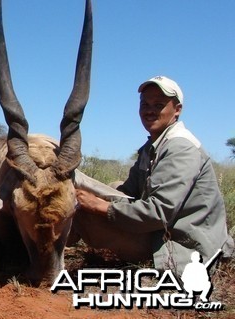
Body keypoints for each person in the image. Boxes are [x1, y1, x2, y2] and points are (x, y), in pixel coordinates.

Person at [73, 76, 233, 275]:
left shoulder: (180, 149)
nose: (149, 110)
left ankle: (41, 262)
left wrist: (99, 206)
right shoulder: (152, 147)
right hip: (163, 230)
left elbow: (159, 213)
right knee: (112, 187)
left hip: (182, 245)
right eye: (145, 104)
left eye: (158, 105)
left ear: (177, 110)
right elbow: (127, 193)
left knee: (81, 213)